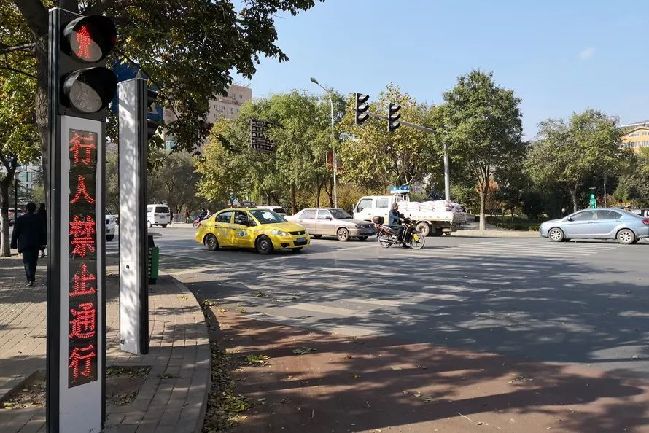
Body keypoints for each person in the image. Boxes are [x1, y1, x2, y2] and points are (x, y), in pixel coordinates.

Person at [11, 202, 46, 286]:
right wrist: (43, 243)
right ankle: (32, 278)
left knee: (27, 262)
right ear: (34, 209)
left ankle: (30, 279)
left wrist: (13, 244)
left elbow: (15, 232)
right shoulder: (39, 218)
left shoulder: (20, 219)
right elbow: (43, 231)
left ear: (26, 209)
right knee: (33, 261)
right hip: (35, 243)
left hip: (25, 244)